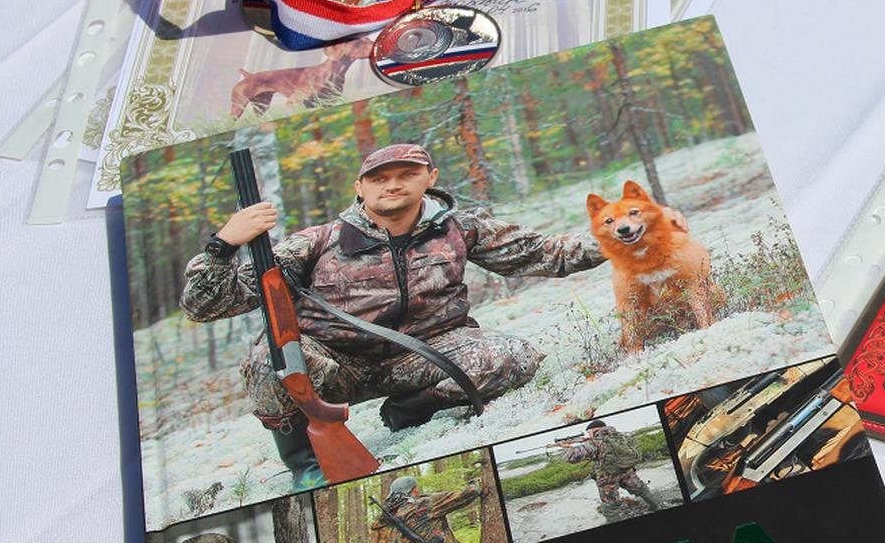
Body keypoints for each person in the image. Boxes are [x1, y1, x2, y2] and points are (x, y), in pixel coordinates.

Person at [180, 143, 605, 489]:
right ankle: (306, 465)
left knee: (512, 356)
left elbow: (543, 252)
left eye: (407, 174)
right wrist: (223, 244)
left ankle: (411, 408)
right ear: (359, 187)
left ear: (430, 177)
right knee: (271, 358)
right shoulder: (318, 242)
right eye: (379, 179)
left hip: (426, 352)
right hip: (336, 365)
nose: (393, 185)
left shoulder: (458, 228)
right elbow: (205, 305)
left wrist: (622, 240)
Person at [364, 475, 480, 543]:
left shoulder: (381, 522)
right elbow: (471, 491)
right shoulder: (425, 503)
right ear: (413, 490)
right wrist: (476, 482)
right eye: (417, 489)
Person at [562, 419, 664, 519]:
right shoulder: (620, 436)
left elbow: (569, 458)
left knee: (610, 506)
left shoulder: (595, 443)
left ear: (594, 430)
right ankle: (656, 507)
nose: (589, 435)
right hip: (626, 470)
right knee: (641, 489)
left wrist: (567, 448)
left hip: (607, 477)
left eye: (589, 432)